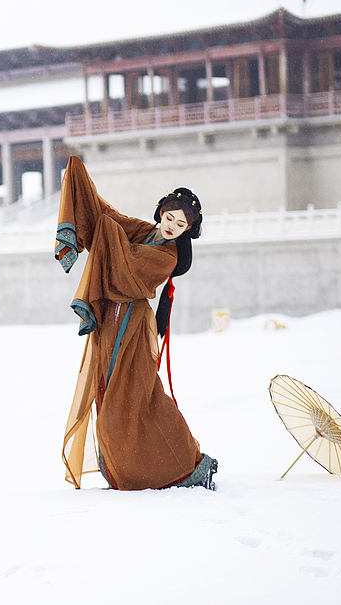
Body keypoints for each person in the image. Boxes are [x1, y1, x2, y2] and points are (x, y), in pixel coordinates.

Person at [54, 155, 217, 491]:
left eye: (180, 224)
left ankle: (187, 464)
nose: (171, 226)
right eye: (169, 217)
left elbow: (125, 266)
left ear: (188, 230)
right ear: (160, 213)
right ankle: (121, 468)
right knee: (108, 398)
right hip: (109, 326)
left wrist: (108, 230)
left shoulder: (168, 256)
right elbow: (106, 217)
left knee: (138, 399)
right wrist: (79, 183)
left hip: (132, 328)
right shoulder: (142, 231)